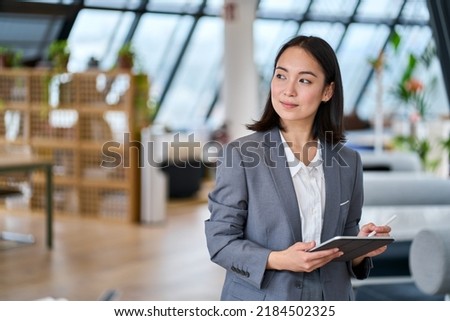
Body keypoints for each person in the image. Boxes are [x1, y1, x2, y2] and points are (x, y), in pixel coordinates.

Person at [204, 35, 391, 301]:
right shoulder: (241, 156)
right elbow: (220, 242)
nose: (287, 90)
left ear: (328, 91)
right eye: (281, 76)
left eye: (304, 80)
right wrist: (279, 259)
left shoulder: (348, 162)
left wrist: (360, 247)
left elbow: (346, 236)